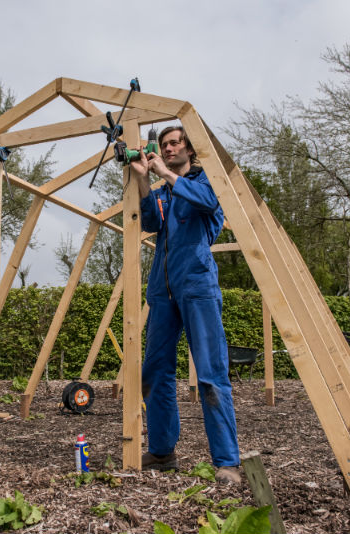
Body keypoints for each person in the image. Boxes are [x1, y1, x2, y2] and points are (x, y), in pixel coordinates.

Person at [129, 126, 241, 484]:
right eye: (163, 145)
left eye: (174, 143)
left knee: (210, 372)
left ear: (190, 149)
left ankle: (227, 462)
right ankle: (163, 452)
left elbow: (209, 204)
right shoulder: (164, 192)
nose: (168, 149)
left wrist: (164, 173)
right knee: (155, 371)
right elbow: (150, 222)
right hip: (163, 288)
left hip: (196, 283)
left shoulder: (207, 183)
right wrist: (145, 181)